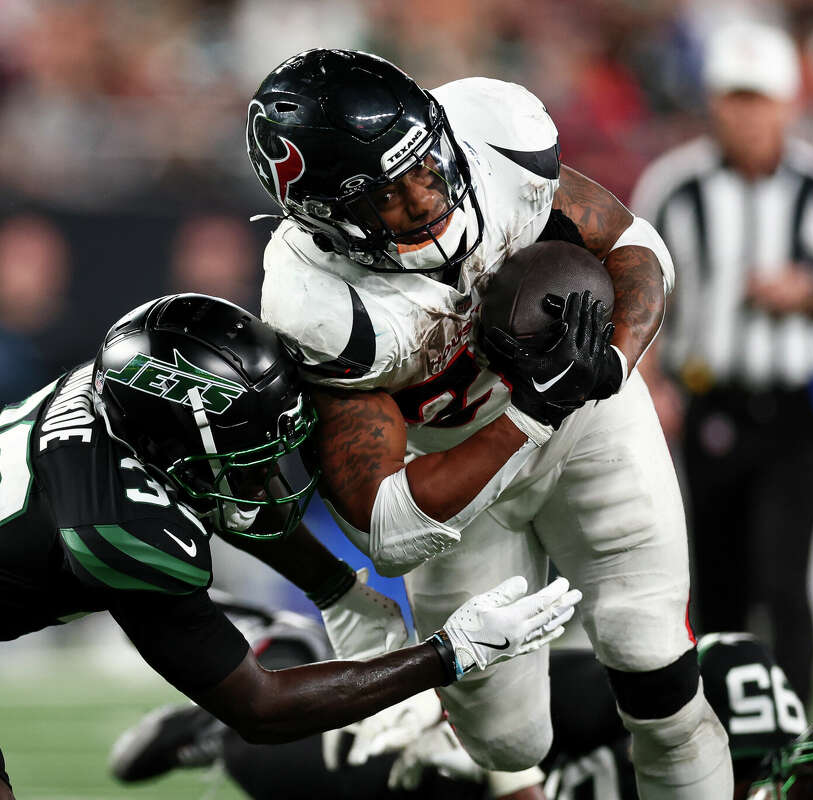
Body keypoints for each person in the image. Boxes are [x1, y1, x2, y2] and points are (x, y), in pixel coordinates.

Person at [0, 293, 581, 800]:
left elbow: (228, 499)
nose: (267, 475)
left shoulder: (124, 407)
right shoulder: (119, 523)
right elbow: (260, 706)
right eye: (244, 452)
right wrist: (448, 655)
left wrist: (339, 590)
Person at [246, 48, 730, 799]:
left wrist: (613, 358)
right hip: (462, 482)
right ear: (328, 219)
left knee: (655, 666)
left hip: (589, 422)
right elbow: (388, 528)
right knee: (509, 745)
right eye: (389, 195)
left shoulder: (497, 143)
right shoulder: (320, 307)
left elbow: (634, 246)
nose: (424, 197)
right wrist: (527, 416)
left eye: (427, 166)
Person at [630, 21, 813, 705]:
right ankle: (724, 735)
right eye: (733, 97)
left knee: (787, 578)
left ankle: (794, 731)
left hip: (798, 407)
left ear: (786, 104)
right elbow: (640, 297)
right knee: (718, 582)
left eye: (758, 98)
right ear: (712, 101)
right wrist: (648, 389)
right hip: (711, 404)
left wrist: (812, 296)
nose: (745, 114)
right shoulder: (673, 186)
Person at [113, 623, 813, 800]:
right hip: (507, 771)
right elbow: (539, 702)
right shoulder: (740, 694)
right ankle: (256, 690)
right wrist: (508, 777)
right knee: (282, 764)